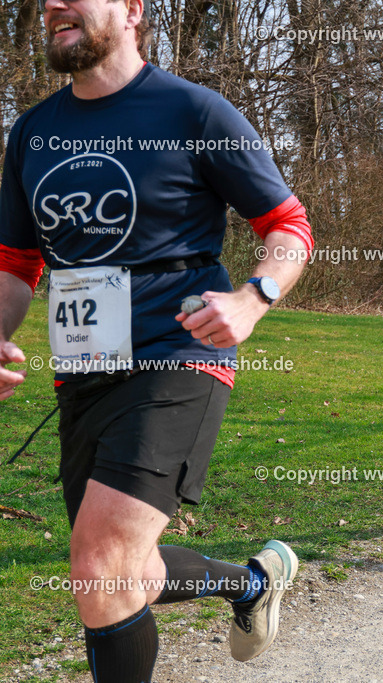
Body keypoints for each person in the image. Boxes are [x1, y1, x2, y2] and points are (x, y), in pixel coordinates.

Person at [0, 0, 313, 680]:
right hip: (84, 363)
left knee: (99, 559)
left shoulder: (193, 111)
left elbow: (288, 226)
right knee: (118, 570)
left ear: (132, 10)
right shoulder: (32, 133)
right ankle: (250, 583)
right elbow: (18, 264)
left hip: (179, 352)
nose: (55, 4)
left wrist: (252, 298)